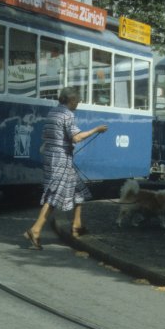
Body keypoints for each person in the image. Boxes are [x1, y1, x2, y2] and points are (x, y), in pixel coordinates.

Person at [24, 87, 107, 250]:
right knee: (54, 195)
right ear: (71, 100)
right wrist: (96, 130)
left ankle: (77, 226)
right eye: (77, 100)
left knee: (79, 189)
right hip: (61, 159)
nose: (79, 103)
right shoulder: (67, 114)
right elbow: (76, 137)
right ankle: (35, 230)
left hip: (50, 156)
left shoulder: (52, 112)